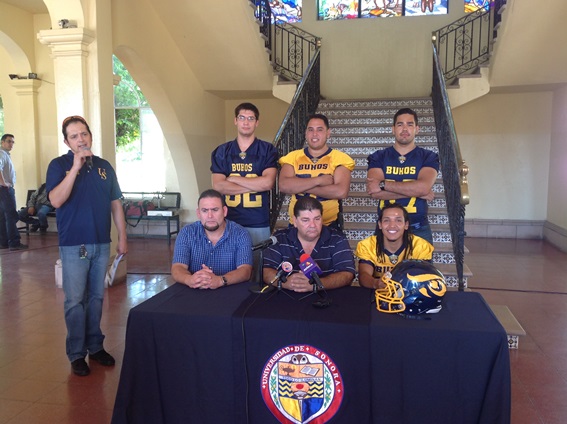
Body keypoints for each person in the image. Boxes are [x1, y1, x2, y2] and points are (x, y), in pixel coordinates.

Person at [46, 116, 128, 377]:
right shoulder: (58, 166)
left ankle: (96, 346)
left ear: (90, 136)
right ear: (66, 141)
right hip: (74, 245)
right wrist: (74, 167)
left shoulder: (104, 167)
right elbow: (56, 201)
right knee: (74, 301)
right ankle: (76, 353)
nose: (80, 139)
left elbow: (116, 204)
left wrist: (122, 237)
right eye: (74, 136)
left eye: (84, 134)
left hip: (101, 243)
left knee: (96, 299)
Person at [211, 103, 278, 278]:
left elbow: (267, 183)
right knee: (230, 269)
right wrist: (253, 183)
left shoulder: (267, 149)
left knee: (257, 272)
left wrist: (233, 179)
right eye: (242, 117)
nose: (246, 122)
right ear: (235, 121)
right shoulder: (222, 151)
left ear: (257, 122)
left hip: (258, 221)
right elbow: (218, 186)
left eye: (250, 118)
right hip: (229, 221)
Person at [366, 107, 439, 244]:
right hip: (386, 227)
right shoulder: (379, 157)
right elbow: (374, 191)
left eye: (409, 124)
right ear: (393, 129)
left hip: (418, 227)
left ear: (417, 129)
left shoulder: (428, 157)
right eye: (400, 124)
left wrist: (384, 185)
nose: (405, 129)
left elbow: (423, 187)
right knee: (382, 265)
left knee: (421, 266)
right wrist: (416, 192)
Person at [278, 114, 355, 229]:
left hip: (329, 225)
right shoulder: (293, 157)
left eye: (320, 130)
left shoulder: (340, 158)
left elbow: (340, 191)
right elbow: (284, 185)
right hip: (296, 225)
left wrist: (300, 186)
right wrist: (319, 180)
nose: (314, 134)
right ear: (305, 133)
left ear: (328, 133)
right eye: (310, 130)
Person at [263, 196, 355, 292]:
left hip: (326, 299)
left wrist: (317, 284)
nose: (312, 225)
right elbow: (266, 270)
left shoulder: (337, 239)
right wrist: (286, 283)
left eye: (317, 219)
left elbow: (347, 274)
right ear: (295, 221)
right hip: (286, 299)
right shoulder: (279, 238)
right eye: (305, 220)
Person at [171, 189, 253, 289]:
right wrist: (189, 279)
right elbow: (177, 267)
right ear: (198, 213)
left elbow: (245, 270)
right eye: (204, 210)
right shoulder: (187, 233)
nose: (210, 216)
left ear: (224, 211)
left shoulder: (241, 234)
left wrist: (220, 280)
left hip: (229, 292)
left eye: (215, 210)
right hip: (194, 291)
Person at [355, 202, 434, 289]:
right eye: (386, 220)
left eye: (398, 220)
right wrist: (376, 283)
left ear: (406, 225)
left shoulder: (420, 246)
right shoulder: (368, 245)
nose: (392, 225)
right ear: (380, 225)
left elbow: (424, 279)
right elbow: (364, 275)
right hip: (377, 294)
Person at [0, 133, 28, 251]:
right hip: (5, 189)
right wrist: (3, 182)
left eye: (12, 142)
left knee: (3, 216)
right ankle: (14, 242)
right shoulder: (2, 154)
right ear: (2, 142)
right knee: (11, 215)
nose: (11, 144)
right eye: (9, 141)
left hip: (3, 189)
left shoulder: (5, 154)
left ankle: (4, 242)